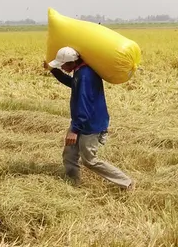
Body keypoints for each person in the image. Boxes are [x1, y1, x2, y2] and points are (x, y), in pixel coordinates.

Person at [47, 47, 133, 190]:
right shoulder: (80, 70)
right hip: (81, 121)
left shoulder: (86, 75)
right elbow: (73, 84)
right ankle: (73, 184)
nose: (61, 67)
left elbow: (84, 105)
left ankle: (127, 182)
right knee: (69, 155)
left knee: (90, 160)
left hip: (90, 124)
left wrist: (74, 130)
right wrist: (54, 71)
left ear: (71, 62)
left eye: (62, 65)